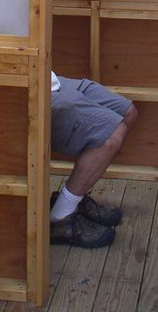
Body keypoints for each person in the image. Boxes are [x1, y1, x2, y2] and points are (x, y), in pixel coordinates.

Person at [49, 71, 138, 248]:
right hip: (34, 89)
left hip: (51, 80)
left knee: (128, 112)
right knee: (112, 134)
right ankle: (60, 218)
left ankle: (75, 198)